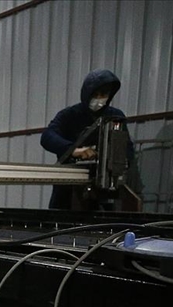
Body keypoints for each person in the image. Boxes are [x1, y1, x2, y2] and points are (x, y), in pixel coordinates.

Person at [40, 69, 135, 210]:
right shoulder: (70, 115)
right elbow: (47, 137)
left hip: (103, 188)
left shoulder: (115, 117)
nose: (99, 99)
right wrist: (74, 150)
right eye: (95, 94)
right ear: (86, 94)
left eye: (103, 94)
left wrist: (118, 162)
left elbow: (126, 148)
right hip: (68, 188)